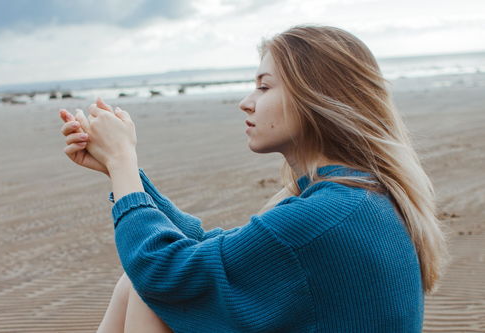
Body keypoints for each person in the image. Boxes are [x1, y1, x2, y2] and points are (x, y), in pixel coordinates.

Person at [59, 25, 449, 332]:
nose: (246, 102)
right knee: (136, 285)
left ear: (315, 98)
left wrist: (124, 160)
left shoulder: (327, 216)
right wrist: (120, 170)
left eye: (264, 86)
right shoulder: (354, 193)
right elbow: (217, 251)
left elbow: (163, 274)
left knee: (151, 292)